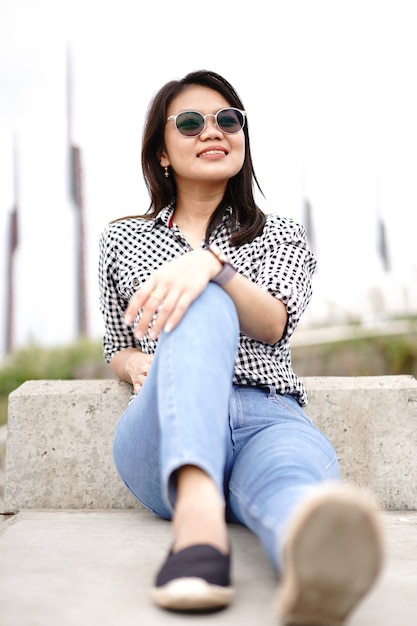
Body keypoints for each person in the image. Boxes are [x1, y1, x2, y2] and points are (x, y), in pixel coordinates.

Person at [98, 69, 383, 624]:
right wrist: (135, 362)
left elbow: (275, 322)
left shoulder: (280, 233)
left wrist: (214, 267)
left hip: (266, 415)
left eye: (228, 120)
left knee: (294, 486)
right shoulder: (120, 238)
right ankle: (198, 530)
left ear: (243, 138)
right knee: (200, 300)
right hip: (164, 425)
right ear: (161, 152)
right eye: (190, 123)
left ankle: (314, 564)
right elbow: (115, 344)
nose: (214, 131)